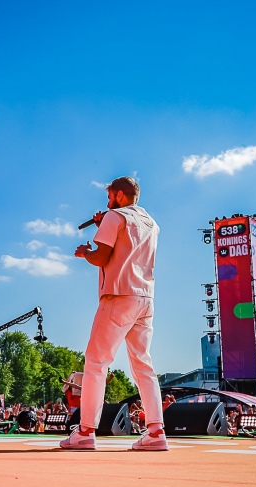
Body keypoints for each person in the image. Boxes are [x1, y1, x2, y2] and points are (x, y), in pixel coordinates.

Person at [60, 176, 167, 451]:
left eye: (109, 196)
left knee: (96, 362)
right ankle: (156, 431)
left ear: (119, 195)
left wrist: (86, 251)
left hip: (118, 295)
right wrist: (103, 223)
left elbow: (102, 257)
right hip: (145, 297)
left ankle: (85, 431)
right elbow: (125, 248)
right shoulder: (151, 223)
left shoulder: (114, 217)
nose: (106, 201)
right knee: (143, 364)